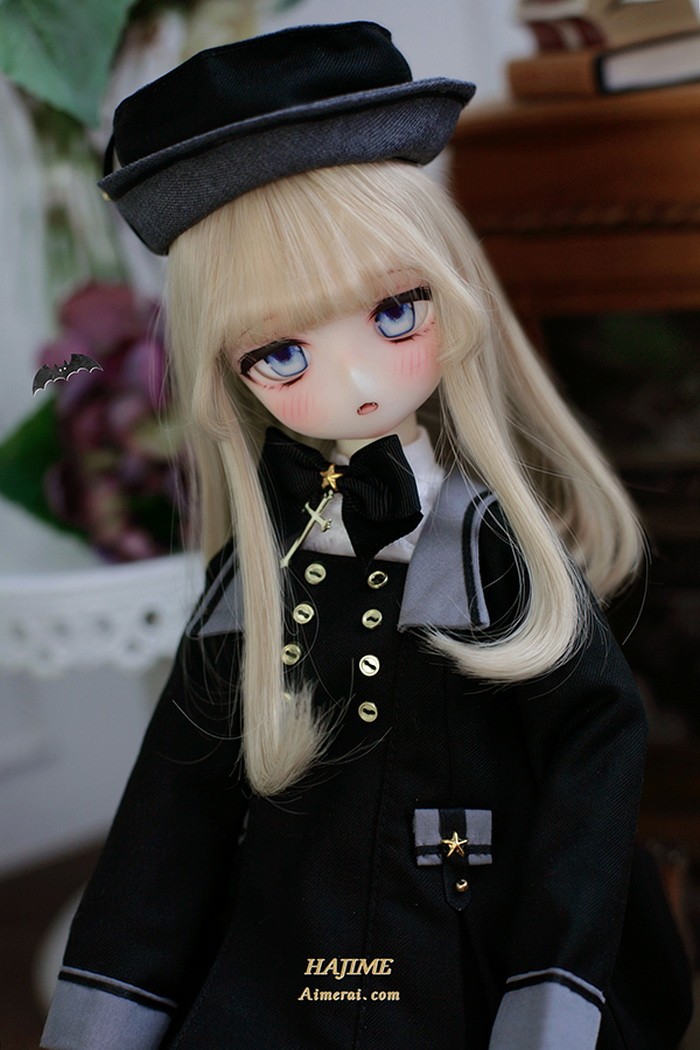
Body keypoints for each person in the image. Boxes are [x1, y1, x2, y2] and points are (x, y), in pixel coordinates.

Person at [40, 21, 692, 1050]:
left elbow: (592, 778)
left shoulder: (491, 557)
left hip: (480, 958)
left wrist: (549, 1002)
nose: (351, 382)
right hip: (289, 965)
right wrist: (103, 1017)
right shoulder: (256, 580)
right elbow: (172, 816)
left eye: (394, 313)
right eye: (281, 352)